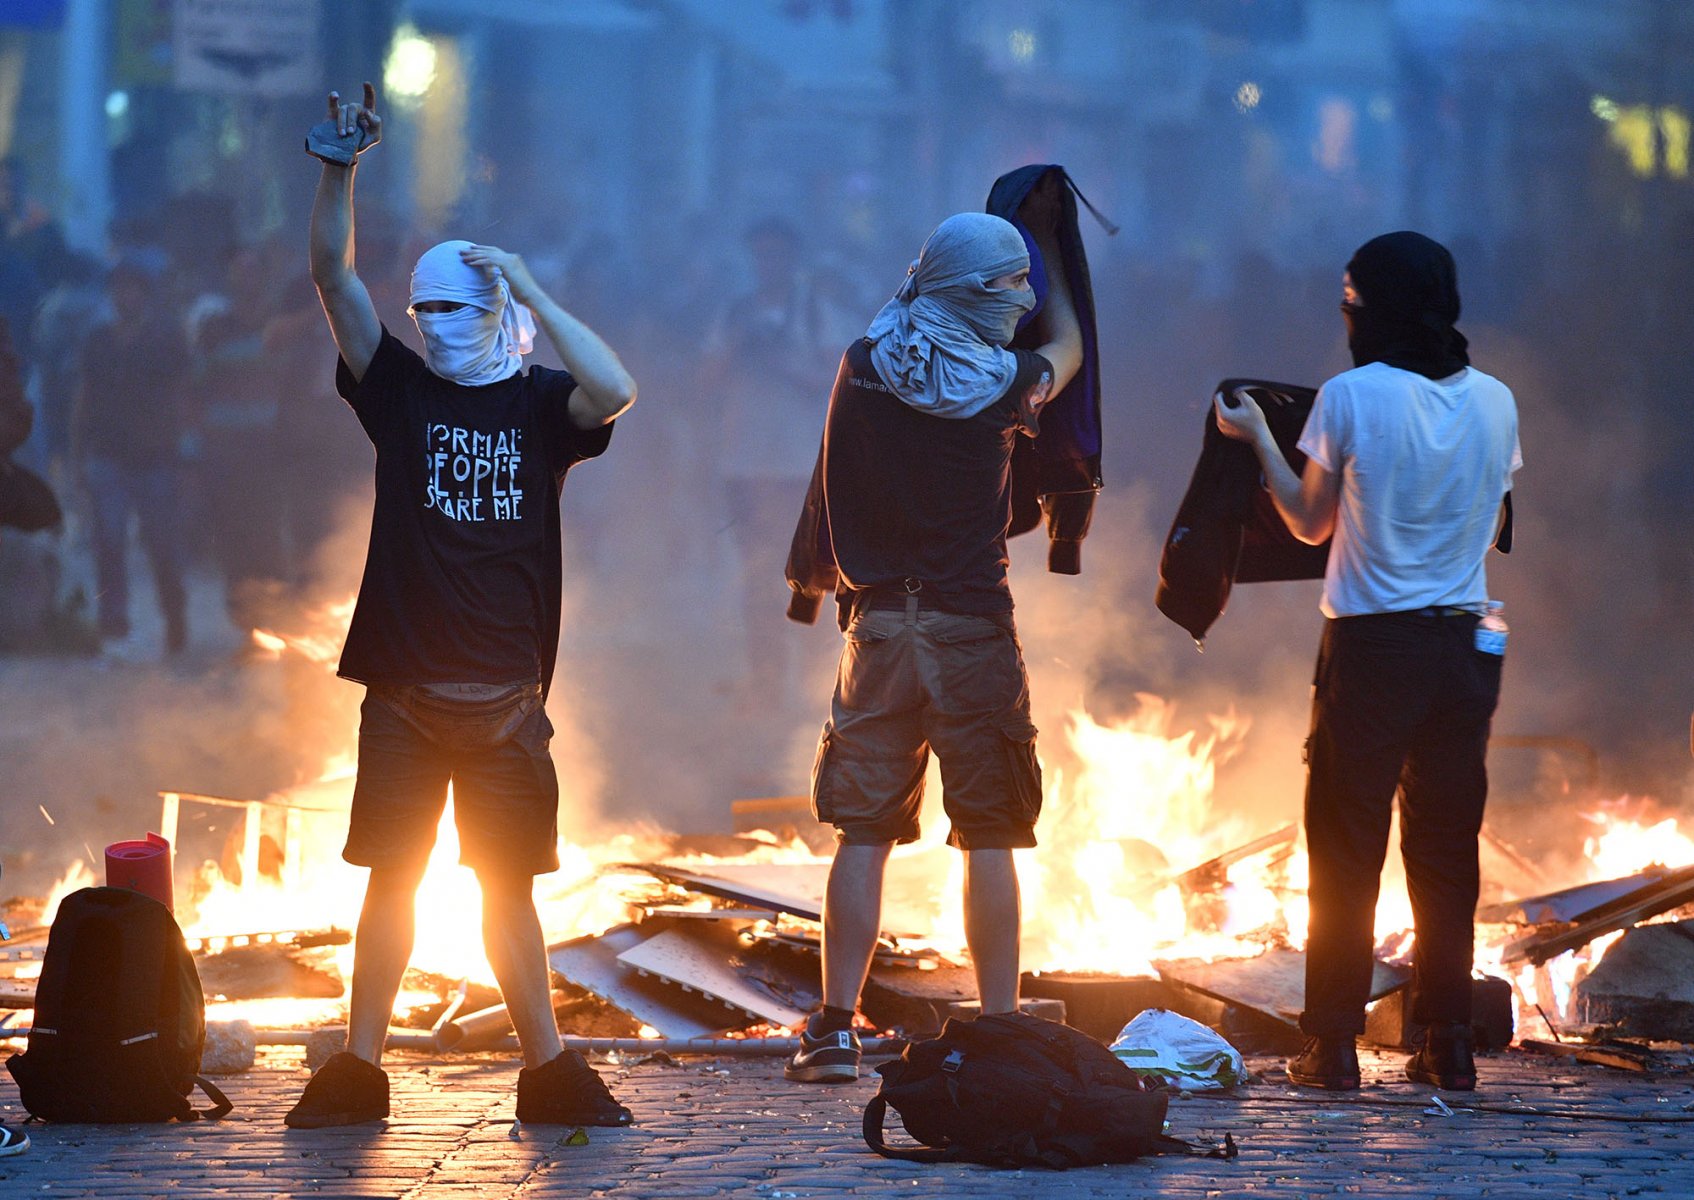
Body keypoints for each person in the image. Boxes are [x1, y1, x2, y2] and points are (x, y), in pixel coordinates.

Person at [285, 84, 638, 1128]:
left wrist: (530, 281)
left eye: (458, 307)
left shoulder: (540, 403)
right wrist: (337, 173)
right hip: (400, 692)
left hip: (503, 704)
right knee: (388, 882)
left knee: (505, 892)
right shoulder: (397, 389)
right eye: (422, 307)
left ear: (500, 313)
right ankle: (357, 1066)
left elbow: (613, 389)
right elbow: (329, 277)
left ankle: (549, 1069)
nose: (434, 325)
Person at [782, 190, 1082, 1084]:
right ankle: (998, 1029)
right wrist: (1060, 263)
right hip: (972, 629)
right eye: (1009, 284)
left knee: (863, 832)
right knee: (989, 832)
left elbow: (828, 477)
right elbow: (1065, 348)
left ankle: (834, 1029)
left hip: (875, 630)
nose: (1020, 299)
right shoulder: (1003, 382)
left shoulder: (863, 363)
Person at [1214, 231, 1520, 1092]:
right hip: (1466, 645)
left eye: (1351, 300)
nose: (1345, 314)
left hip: (1372, 644)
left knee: (1347, 848)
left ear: (1371, 308)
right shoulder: (1497, 401)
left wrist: (1257, 440)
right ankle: (1447, 1041)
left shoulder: (1350, 396)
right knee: (1446, 849)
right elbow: (1491, 513)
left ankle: (1333, 1047)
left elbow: (1310, 523)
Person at [71, 253, 191, 656]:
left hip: (156, 457)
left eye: (132, 288)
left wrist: (185, 446)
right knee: (108, 543)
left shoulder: (166, 338)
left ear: (145, 294)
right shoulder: (98, 340)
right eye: (119, 288)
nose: (125, 295)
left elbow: (183, 393)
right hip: (108, 455)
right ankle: (113, 625)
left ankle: (174, 617)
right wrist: (76, 455)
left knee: (163, 543)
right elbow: (83, 398)